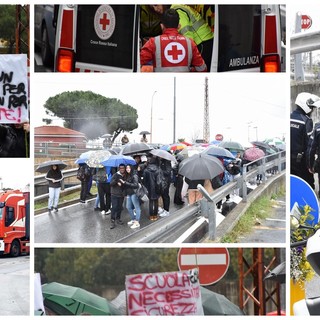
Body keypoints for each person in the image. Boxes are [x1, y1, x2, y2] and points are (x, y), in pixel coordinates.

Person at [140, 8, 207, 72]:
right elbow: (202, 69)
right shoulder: (190, 42)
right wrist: (190, 69)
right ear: (179, 26)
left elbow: (137, 62)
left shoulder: (153, 42)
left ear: (161, 26)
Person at [291, 92, 320, 189]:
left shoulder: (290, 117)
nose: (312, 110)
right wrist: (310, 165)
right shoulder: (306, 121)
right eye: (311, 107)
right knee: (308, 186)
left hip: (291, 161)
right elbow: (309, 147)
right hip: (301, 162)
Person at [122, 165, 141, 229]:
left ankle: (137, 222)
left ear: (131, 168)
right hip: (129, 193)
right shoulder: (127, 175)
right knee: (128, 207)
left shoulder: (134, 175)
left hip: (134, 193)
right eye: (126, 168)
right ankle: (133, 219)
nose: (127, 169)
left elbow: (136, 185)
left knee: (137, 207)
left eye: (129, 168)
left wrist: (126, 183)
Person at [143, 156, 161, 220]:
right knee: (156, 201)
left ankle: (151, 216)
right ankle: (155, 216)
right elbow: (159, 181)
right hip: (156, 188)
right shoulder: (158, 170)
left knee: (151, 202)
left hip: (149, 188)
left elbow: (144, 181)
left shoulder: (146, 170)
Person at [109, 164, 126, 229]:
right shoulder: (115, 175)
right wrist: (116, 181)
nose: (122, 169)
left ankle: (118, 218)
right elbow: (111, 183)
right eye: (121, 168)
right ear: (119, 169)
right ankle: (112, 220)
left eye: (123, 168)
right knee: (114, 207)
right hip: (114, 194)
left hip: (121, 194)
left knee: (120, 207)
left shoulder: (125, 175)